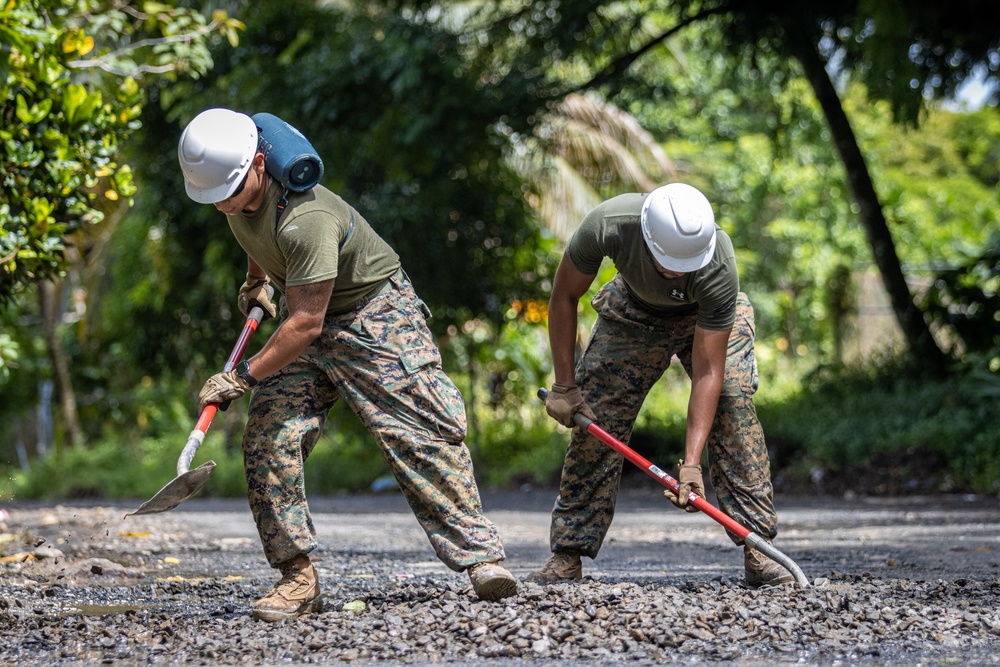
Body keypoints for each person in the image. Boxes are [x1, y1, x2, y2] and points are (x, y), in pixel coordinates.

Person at [177, 107, 517, 622]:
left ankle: (481, 560)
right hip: (306, 312)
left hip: (371, 314)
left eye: (231, 189)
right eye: (214, 195)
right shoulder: (231, 192)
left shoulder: (307, 219)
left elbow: (306, 325)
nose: (223, 201)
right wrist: (258, 280)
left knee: (418, 432)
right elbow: (256, 235)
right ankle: (298, 578)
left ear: (260, 164)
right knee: (268, 436)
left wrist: (242, 376)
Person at [527, 183, 793, 588]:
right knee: (595, 412)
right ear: (647, 237)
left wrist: (690, 464)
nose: (676, 272)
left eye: (685, 265)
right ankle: (568, 553)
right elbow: (564, 296)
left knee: (733, 404)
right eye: (668, 262)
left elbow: (708, 373)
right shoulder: (610, 224)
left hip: (704, 319)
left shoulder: (718, 264)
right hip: (633, 309)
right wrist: (565, 385)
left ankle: (757, 546)